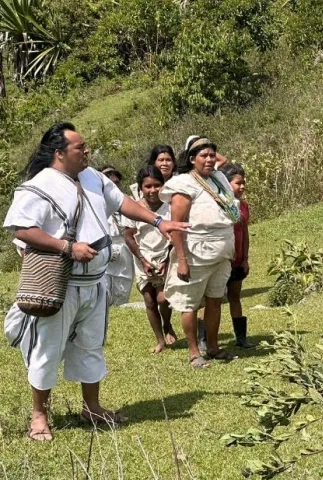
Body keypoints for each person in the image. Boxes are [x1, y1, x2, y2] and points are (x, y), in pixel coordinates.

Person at [2, 122, 187, 441]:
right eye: (80, 147)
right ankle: (39, 417)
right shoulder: (39, 185)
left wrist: (159, 220)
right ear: (59, 153)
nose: (87, 151)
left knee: (91, 345)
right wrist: (67, 247)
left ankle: (92, 407)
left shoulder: (93, 177)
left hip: (95, 282)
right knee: (48, 347)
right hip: (60, 282)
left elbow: (122, 202)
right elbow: (22, 229)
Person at [161, 136, 238, 368]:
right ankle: (194, 352)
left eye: (212, 155)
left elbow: (226, 165)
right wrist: (182, 260)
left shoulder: (219, 178)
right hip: (195, 252)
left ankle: (213, 346)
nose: (209, 159)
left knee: (215, 300)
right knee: (190, 304)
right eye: (203, 155)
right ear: (192, 159)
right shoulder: (184, 184)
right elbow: (177, 225)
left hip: (222, 250)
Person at [124, 166, 176, 354]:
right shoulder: (133, 208)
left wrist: (167, 260)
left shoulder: (169, 206)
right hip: (142, 258)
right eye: (148, 186)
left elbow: (175, 234)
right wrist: (142, 260)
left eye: (157, 185)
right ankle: (160, 340)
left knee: (163, 298)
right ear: (141, 188)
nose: (153, 190)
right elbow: (129, 236)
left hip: (166, 255)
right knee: (149, 300)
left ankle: (167, 324)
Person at [219, 162, 254, 349]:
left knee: (235, 296)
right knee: (212, 299)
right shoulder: (218, 205)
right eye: (237, 183)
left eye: (243, 183)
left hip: (238, 260)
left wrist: (245, 259)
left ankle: (241, 338)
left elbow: (245, 233)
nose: (242, 187)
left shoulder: (243, 207)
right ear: (226, 184)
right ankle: (205, 338)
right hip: (221, 259)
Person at [99, 166, 134, 306]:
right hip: (104, 245)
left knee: (123, 282)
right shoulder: (94, 201)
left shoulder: (127, 201)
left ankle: (119, 305)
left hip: (124, 246)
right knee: (104, 283)